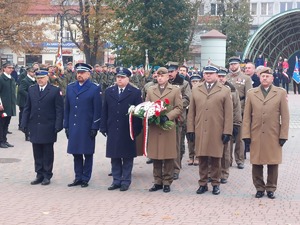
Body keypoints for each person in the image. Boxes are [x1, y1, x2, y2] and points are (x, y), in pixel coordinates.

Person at [242, 67, 289, 199]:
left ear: (272, 78)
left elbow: (285, 116)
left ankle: (271, 188)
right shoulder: (252, 93)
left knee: (273, 162)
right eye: (262, 76)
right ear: (259, 77)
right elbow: (246, 117)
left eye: (267, 76)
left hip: (273, 134)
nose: (265, 78)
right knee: (256, 162)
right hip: (256, 133)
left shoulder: (280, 93)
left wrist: (283, 135)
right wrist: (246, 135)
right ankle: (259, 188)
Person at [187, 65, 233, 195]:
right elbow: (191, 112)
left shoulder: (224, 90)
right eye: (206, 73)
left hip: (216, 129)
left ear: (216, 75)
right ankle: (202, 183)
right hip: (200, 128)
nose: (208, 75)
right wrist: (190, 129)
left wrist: (227, 131)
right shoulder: (196, 90)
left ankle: (215, 183)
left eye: (211, 73)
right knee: (201, 157)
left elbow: (228, 114)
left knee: (215, 159)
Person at [100, 67, 143, 192]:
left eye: (122, 77)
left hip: (128, 129)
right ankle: (116, 180)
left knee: (127, 157)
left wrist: (136, 130)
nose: (119, 79)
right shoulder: (109, 91)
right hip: (113, 127)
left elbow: (138, 113)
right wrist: (103, 126)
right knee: (115, 156)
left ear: (128, 78)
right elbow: (105, 110)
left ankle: (126, 180)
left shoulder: (134, 92)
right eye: (118, 77)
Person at [20, 70, 64, 185]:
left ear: (47, 78)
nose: (40, 80)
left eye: (42, 78)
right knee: (37, 151)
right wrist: (23, 123)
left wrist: (59, 125)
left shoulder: (54, 90)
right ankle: (39, 174)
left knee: (47, 152)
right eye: (38, 78)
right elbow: (27, 108)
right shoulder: (32, 89)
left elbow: (59, 110)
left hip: (48, 125)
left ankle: (47, 175)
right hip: (35, 125)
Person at [64, 63, 102, 188]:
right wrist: (66, 126)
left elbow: (97, 109)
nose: (79, 75)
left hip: (87, 126)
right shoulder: (70, 87)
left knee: (88, 153)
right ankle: (78, 177)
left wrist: (95, 126)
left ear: (88, 74)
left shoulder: (94, 88)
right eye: (78, 72)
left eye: (82, 73)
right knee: (76, 153)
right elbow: (67, 108)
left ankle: (86, 178)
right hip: (74, 125)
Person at [146, 67, 182, 193]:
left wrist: (167, 116)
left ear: (168, 77)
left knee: (168, 154)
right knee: (155, 154)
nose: (160, 78)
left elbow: (179, 107)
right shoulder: (151, 90)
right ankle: (157, 181)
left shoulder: (175, 90)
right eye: (158, 76)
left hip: (167, 126)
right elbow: (147, 105)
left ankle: (167, 181)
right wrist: (150, 115)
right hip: (155, 127)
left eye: (163, 76)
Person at [227, 56, 253, 168]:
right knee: (227, 137)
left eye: (235, 64)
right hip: (227, 111)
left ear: (239, 65)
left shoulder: (246, 78)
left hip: (241, 110)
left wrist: (246, 112)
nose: (233, 66)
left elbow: (249, 96)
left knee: (240, 138)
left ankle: (239, 160)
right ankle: (227, 160)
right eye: (231, 64)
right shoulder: (225, 77)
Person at [217, 67, 242, 183]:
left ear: (226, 78)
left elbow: (237, 108)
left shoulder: (232, 90)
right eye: (219, 76)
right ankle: (212, 173)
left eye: (223, 76)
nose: (221, 79)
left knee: (225, 151)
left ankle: (224, 174)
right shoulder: (212, 89)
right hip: (214, 124)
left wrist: (236, 124)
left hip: (227, 123)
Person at [167, 62, 191, 180]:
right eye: (168, 72)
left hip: (179, 118)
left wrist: (175, 107)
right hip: (165, 117)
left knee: (178, 145)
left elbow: (187, 99)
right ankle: (166, 167)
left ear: (176, 71)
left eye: (171, 71)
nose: (170, 74)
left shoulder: (184, 84)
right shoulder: (164, 83)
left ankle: (176, 169)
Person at [17, 67, 36, 140]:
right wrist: (30, 96)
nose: (33, 73)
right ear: (28, 72)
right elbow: (21, 90)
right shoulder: (25, 80)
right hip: (24, 102)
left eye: (34, 72)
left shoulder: (34, 80)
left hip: (31, 102)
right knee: (26, 118)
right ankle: (26, 134)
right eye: (32, 72)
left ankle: (30, 133)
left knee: (31, 118)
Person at [0, 62, 17, 148]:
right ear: (4, 69)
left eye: (12, 68)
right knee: (1, 124)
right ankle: (1, 141)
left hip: (10, 105)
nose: (11, 69)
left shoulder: (12, 79)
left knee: (6, 123)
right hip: (3, 106)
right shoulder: (1, 78)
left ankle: (4, 140)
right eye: (9, 68)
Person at [187, 74, 202, 166]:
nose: (195, 83)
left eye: (197, 81)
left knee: (198, 137)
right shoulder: (189, 91)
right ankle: (191, 156)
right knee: (190, 138)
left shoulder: (200, 91)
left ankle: (197, 156)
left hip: (198, 117)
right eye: (193, 81)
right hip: (188, 116)